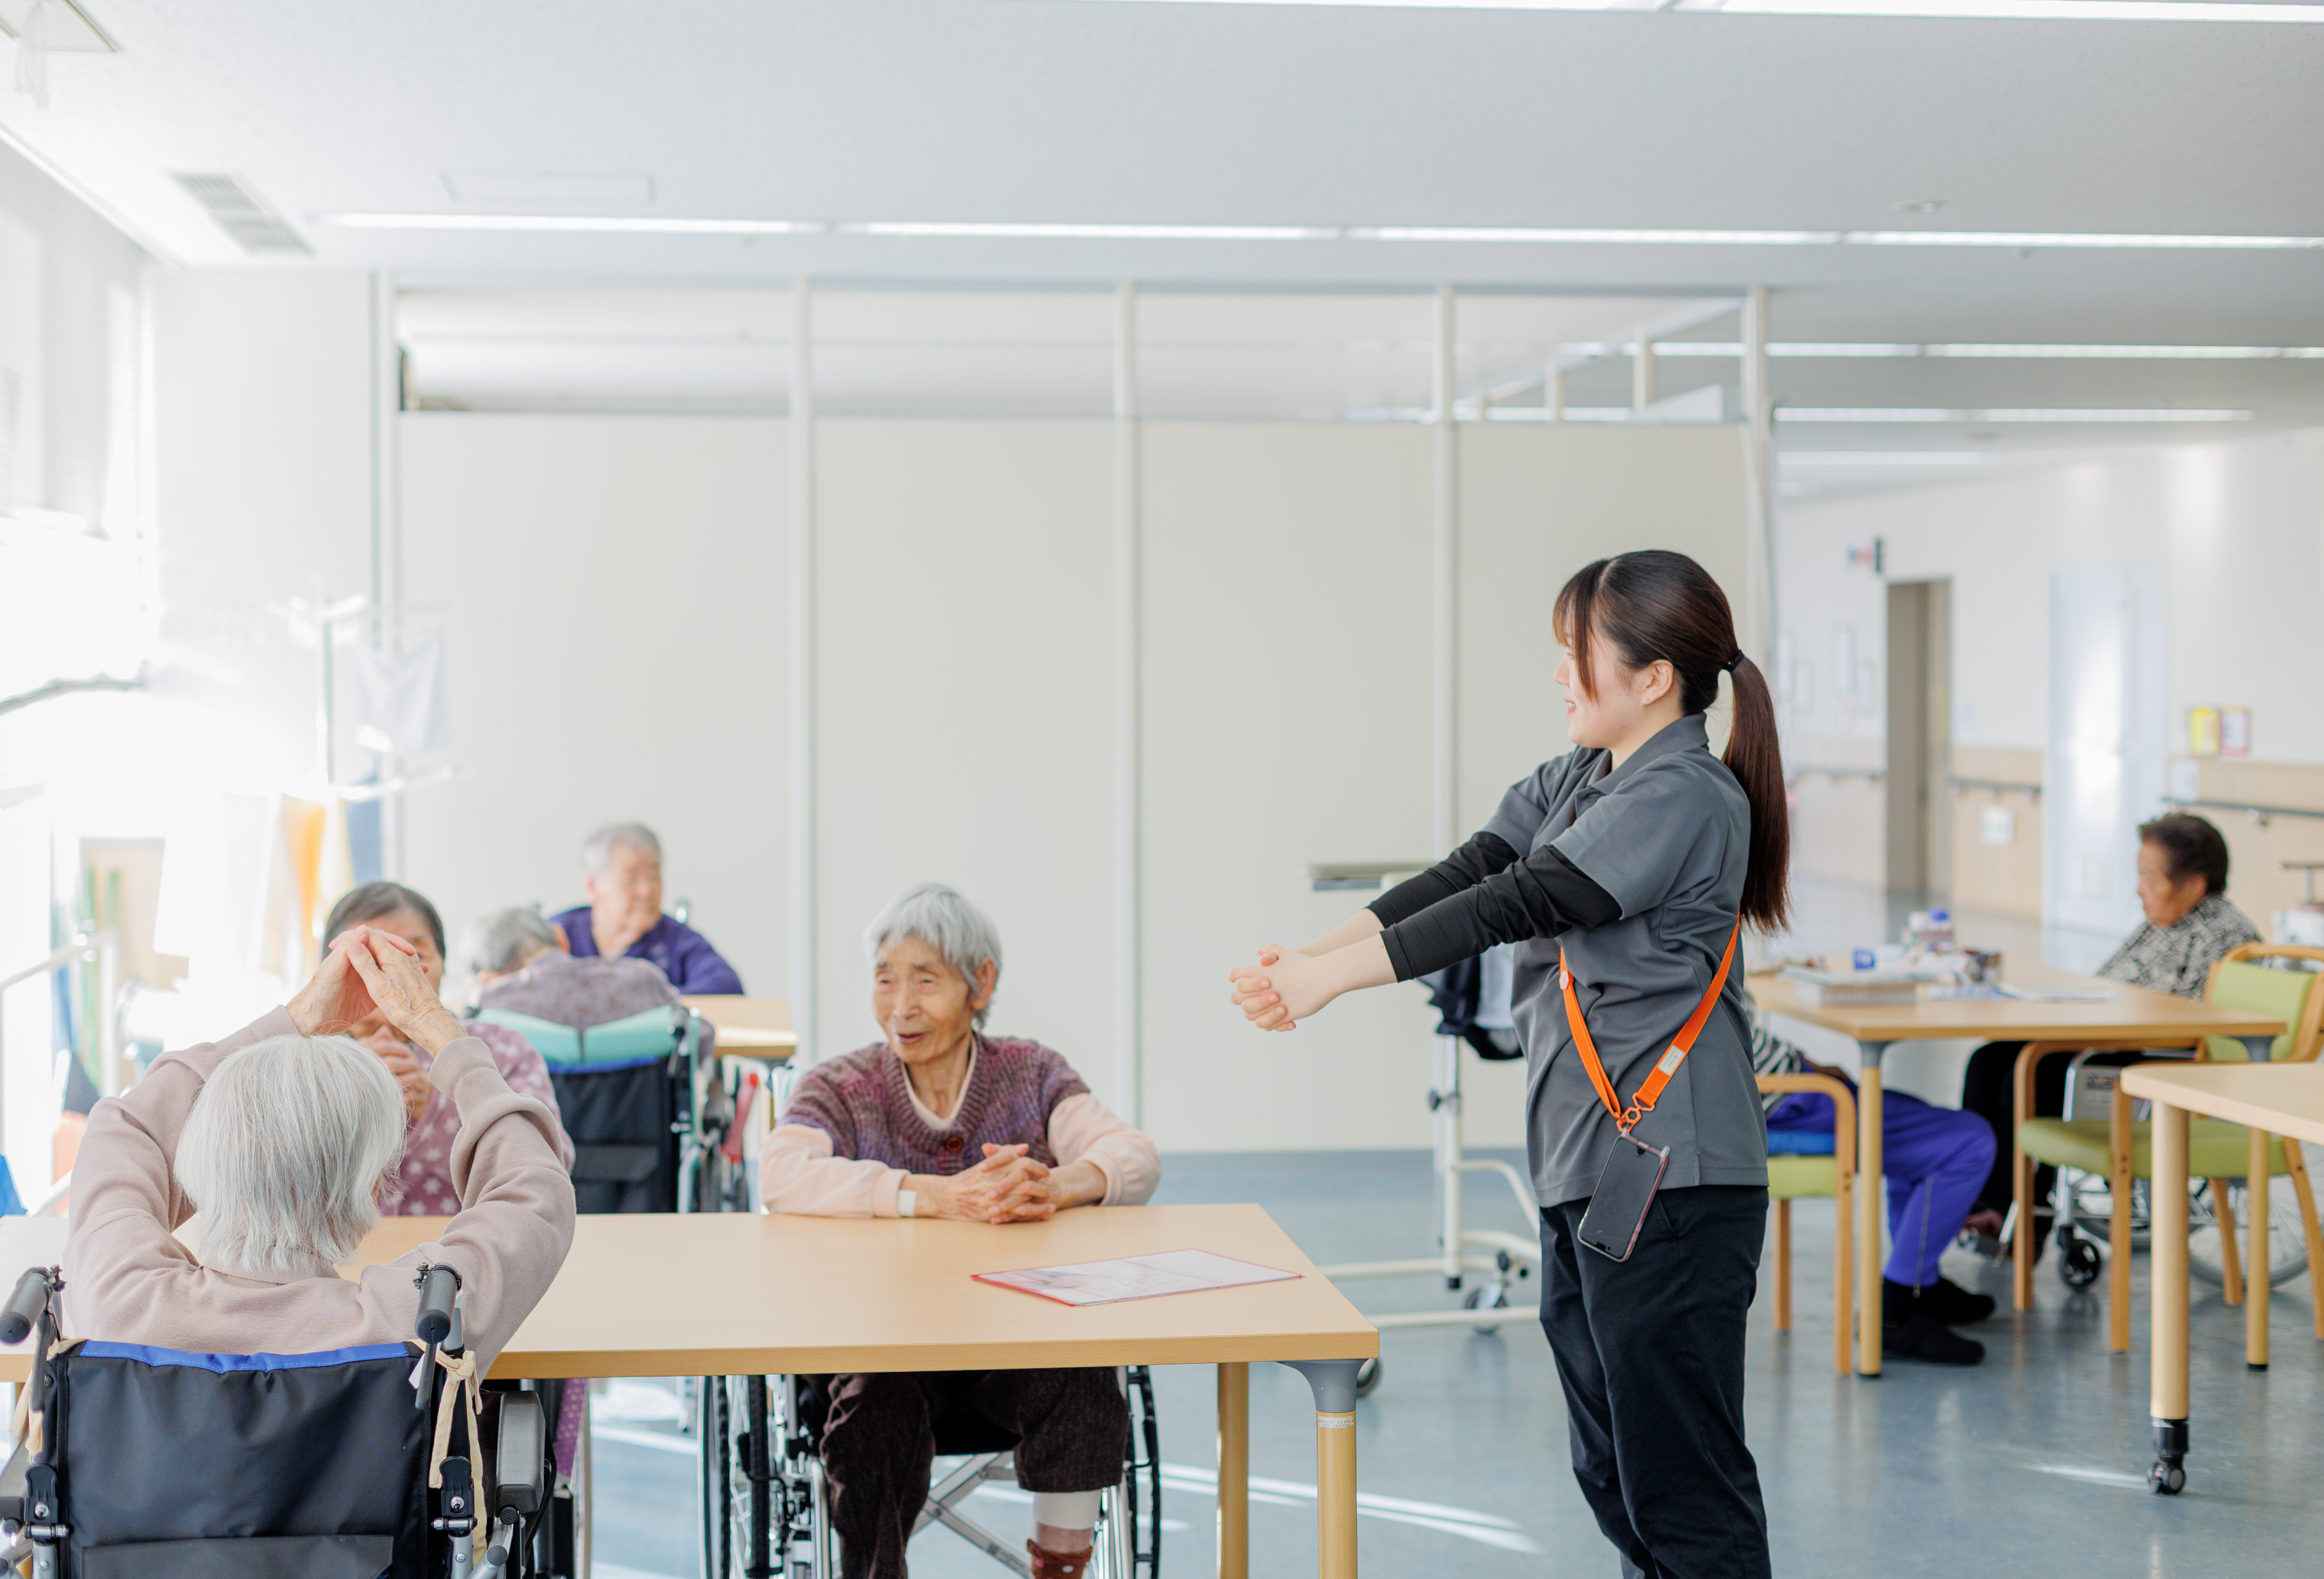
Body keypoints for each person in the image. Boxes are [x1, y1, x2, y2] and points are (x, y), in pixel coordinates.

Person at [1229, 550, 1782, 1579]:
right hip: (1589, 1162)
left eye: (1577, 653)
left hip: (1675, 1175)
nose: (1560, 675)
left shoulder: (1687, 793)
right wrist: (1311, 953)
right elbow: (1474, 866)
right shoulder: (1584, 773)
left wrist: (1337, 983)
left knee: (1678, 1481)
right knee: (1615, 1467)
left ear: (1652, 675)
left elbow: (1519, 902)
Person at [761, 883, 1160, 1579]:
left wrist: (1056, 1182)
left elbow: (1133, 1156)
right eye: (885, 980)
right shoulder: (842, 1085)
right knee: (871, 1406)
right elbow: (782, 1173)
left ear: (982, 983)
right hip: (884, 1355)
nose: (901, 1006)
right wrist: (929, 1196)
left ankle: (1061, 1567)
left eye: (926, 980)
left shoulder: (1031, 1074)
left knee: (1085, 1372)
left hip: (1010, 1355)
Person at [65, 924, 575, 1364]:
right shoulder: (420, 1321)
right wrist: (442, 1033)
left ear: (198, 1160)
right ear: (372, 1185)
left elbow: (125, 1129)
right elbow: (535, 1194)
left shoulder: (121, 1300)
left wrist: (294, 1018)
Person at [1959, 810, 2261, 1241]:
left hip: (2160, 1058)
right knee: (1989, 1060)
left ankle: (2021, 1219)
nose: (2140, 890)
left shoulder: (2224, 937)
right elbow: (2108, 983)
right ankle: (1987, 1201)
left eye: (2151, 878)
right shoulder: (2164, 923)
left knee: (2035, 1072)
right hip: (2109, 1036)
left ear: (2193, 884)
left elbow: (2192, 1027)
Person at [322, 883, 574, 1213]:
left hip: (462, 1255)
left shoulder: (500, 1048)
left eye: (413, 956)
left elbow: (553, 1167)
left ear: (444, 966)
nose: (391, 974)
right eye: (366, 957)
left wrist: (433, 1110)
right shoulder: (305, 1056)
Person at [1751, 1028, 1997, 1364]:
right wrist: (1808, 1074)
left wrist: (1808, 1066)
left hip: (1795, 1091)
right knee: (1970, 1142)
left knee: (1921, 1120)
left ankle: (1920, 1284)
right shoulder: (1699, 977)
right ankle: (1894, 1310)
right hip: (1788, 1106)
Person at [468, 905, 716, 1056]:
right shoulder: (644, 980)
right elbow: (700, 1037)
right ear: (561, 939)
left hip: (534, 1140)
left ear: (490, 979)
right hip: (647, 1136)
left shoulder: (491, 1005)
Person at [548, 823, 743, 995]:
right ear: (593, 888)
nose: (646, 891)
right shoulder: (558, 935)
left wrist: (659, 1005)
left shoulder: (677, 941)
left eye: (654, 877)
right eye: (631, 880)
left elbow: (727, 986)